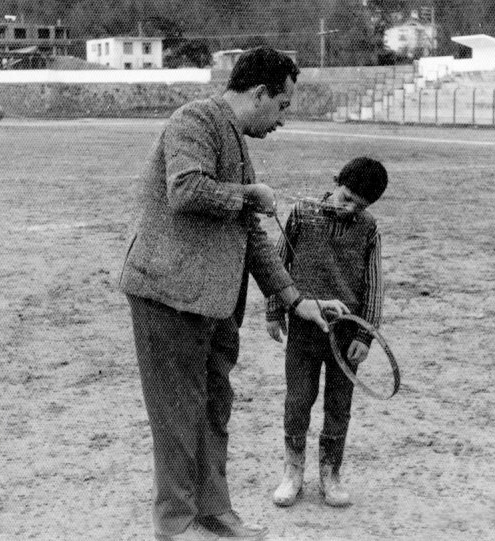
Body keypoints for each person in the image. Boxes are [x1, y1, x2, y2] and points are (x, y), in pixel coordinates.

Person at [118, 47, 350, 541]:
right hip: (168, 297)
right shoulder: (195, 119)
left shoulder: (236, 142)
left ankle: (213, 514)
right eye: (283, 106)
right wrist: (251, 194)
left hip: (215, 305)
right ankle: (175, 526)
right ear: (260, 93)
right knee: (177, 416)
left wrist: (296, 300)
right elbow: (186, 191)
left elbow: (252, 237)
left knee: (213, 412)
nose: (283, 120)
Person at [266, 157, 388, 508]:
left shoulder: (369, 228)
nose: (349, 208)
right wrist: (275, 311)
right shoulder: (303, 213)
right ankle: (292, 472)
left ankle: (331, 474)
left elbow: (375, 285)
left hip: (346, 337)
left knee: (339, 405)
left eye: (359, 205)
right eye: (346, 196)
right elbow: (277, 263)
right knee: (298, 400)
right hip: (304, 330)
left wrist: (366, 337)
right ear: (337, 182)